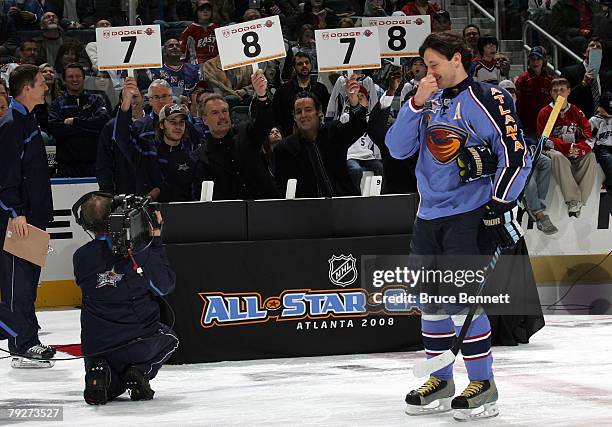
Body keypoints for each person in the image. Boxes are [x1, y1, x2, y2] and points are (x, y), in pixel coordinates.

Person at [386, 32, 531, 421]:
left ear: (456, 59)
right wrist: (415, 103)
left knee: (460, 303)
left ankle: (483, 384)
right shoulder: (425, 101)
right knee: (431, 304)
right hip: (427, 216)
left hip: (470, 216)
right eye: (424, 66)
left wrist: (499, 205)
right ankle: (441, 379)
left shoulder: (488, 97)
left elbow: (516, 156)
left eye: (433, 64)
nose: (427, 72)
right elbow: (397, 149)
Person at [72, 193, 178, 405]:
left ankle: (101, 373)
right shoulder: (137, 252)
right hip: (137, 342)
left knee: (109, 387)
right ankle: (138, 371)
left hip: (97, 347)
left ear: (85, 224)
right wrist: (155, 239)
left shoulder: (80, 257)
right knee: (171, 339)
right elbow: (164, 286)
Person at [0, 64, 55, 368]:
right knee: (16, 284)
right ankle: (21, 343)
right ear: (26, 88)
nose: (45, 86)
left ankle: (27, 339)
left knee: (28, 283)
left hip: (33, 218)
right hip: (16, 220)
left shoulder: (27, 119)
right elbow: (5, 175)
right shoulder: (12, 124)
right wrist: (15, 212)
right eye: (40, 83)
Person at [274, 76, 368, 197]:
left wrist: (354, 102)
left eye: (308, 110)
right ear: (294, 116)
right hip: (309, 210)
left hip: (343, 203)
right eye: (298, 111)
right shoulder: (284, 148)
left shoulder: (334, 131)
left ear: (319, 112)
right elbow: (281, 188)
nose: (303, 115)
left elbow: (358, 127)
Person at [195, 70, 279, 200]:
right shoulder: (203, 155)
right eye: (215, 113)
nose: (222, 116)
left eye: (224, 111)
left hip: (265, 205)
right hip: (232, 215)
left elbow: (265, 123)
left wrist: (262, 96)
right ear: (204, 119)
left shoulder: (246, 132)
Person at [501, 79, 558, 234]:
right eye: (506, 92)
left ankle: (536, 202)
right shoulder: (497, 114)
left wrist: (531, 144)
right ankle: (539, 214)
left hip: (521, 151)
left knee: (545, 162)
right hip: (507, 157)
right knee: (528, 177)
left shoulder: (514, 113)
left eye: (512, 91)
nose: (510, 94)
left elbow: (520, 135)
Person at [537, 77, 597, 217]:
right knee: (558, 158)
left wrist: (579, 149)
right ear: (551, 93)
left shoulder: (576, 111)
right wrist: (567, 148)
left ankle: (580, 201)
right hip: (555, 151)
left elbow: (588, 135)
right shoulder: (545, 113)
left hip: (574, 149)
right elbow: (544, 140)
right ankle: (573, 200)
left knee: (591, 157)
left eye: (562, 90)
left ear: (569, 91)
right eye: (555, 90)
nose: (559, 93)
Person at [48, 62, 110, 177]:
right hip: (67, 167)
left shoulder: (96, 100)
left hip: (94, 165)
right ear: (64, 80)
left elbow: (103, 123)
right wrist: (88, 127)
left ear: (84, 78)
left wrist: (75, 122)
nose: (74, 79)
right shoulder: (57, 104)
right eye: (70, 77)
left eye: (78, 76)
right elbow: (56, 130)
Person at [96, 85, 145, 195]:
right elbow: (104, 162)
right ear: (121, 101)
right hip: (122, 190)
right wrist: (107, 191)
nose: (132, 100)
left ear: (142, 98)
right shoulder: (110, 127)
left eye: (135, 96)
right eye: (128, 97)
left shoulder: (153, 123)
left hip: (152, 192)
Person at [272, 51, 330, 136]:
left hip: (317, 136)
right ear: (294, 67)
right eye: (300, 64)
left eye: (307, 62)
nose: (304, 66)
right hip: (290, 138)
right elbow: (276, 118)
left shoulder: (321, 89)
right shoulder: (283, 91)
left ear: (311, 65)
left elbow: (327, 113)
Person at [562, 37, 612, 119]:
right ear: (584, 53)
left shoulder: (605, 76)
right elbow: (563, 99)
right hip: (578, 121)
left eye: (598, 47)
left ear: (601, 55)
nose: (595, 48)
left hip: (600, 124)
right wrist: (583, 83)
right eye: (592, 45)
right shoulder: (570, 72)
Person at [515, 46, 554, 136]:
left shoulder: (550, 80)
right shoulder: (523, 79)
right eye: (532, 59)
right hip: (527, 126)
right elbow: (518, 103)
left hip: (546, 125)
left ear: (544, 61)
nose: (535, 62)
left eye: (538, 59)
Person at [590, 91, 612, 209]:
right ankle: (608, 184)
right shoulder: (594, 120)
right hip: (602, 148)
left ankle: (608, 183)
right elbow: (590, 138)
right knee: (608, 161)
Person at [180, 0, 219, 65]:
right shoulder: (190, 29)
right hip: (197, 63)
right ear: (196, 12)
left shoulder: (216, 28)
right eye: (201, 10)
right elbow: (182, 49)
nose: (205, 12)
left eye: (208, 10)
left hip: (215, 62)